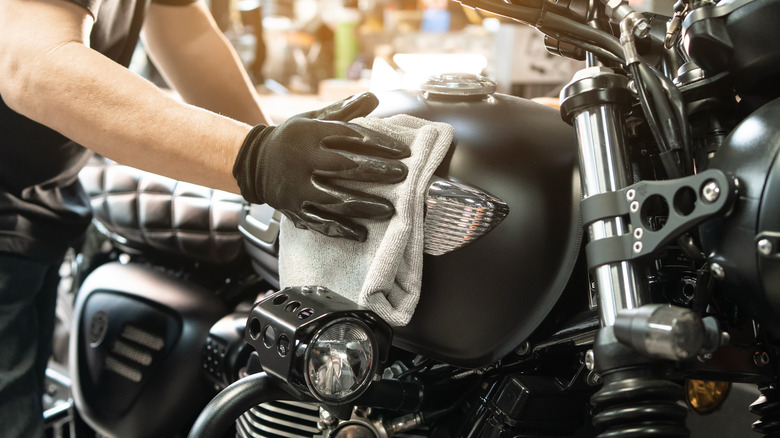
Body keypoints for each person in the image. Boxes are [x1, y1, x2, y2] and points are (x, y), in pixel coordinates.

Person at [0, 0, 410, 436]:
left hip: (38, 204)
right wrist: (254, 159)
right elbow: (34, 66)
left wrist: (278, 158)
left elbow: (185, 34)